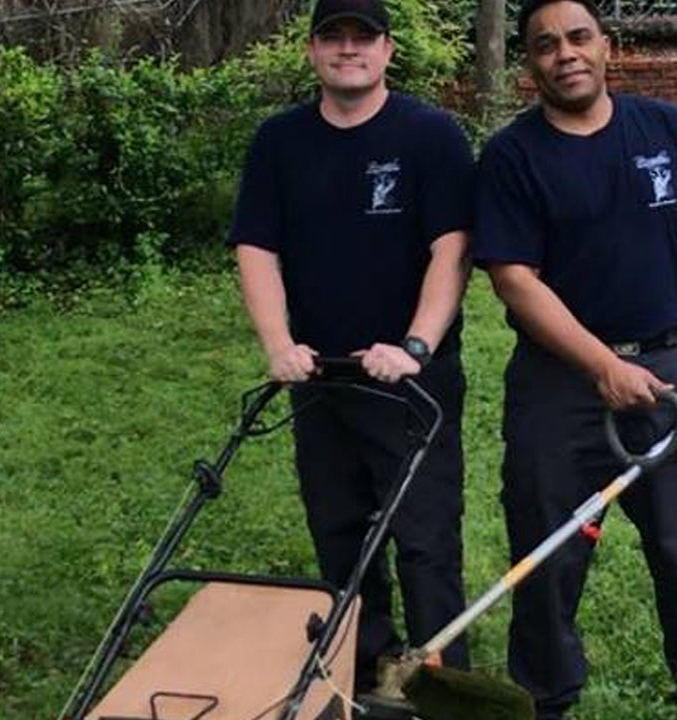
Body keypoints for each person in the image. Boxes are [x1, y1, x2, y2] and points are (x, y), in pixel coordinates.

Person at [472, 1, 677, 719]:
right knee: (547, 557)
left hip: (668, 368)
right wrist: (601, 365)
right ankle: (542, 699)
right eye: (545, 45)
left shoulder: (668, 131)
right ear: (530, 65)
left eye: (579, 38)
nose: (565, 54)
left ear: (608, 46)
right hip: (558, 387)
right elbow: (515, 280)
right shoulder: (512, 157)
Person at [228, 0, 474, 693]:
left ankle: (441, 680)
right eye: (332, 37)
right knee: (339, 534)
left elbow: (452, 250)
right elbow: (256, 247)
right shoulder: (279, 143)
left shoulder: (430, 136)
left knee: (425, 540)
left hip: (409, 383)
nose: (347, 50)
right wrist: (278, 345)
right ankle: (363, 668)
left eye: (361, 37)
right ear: (310, 51)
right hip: (321, 379)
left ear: (388, 50)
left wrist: (416, 345)